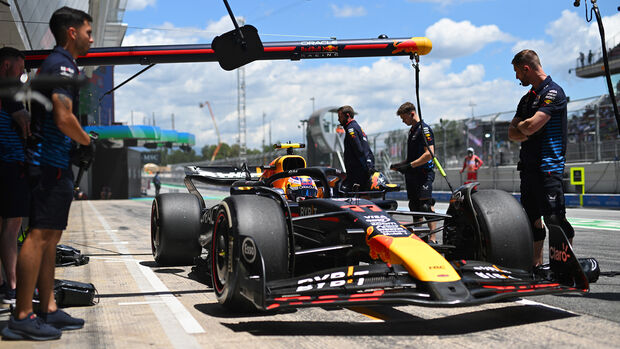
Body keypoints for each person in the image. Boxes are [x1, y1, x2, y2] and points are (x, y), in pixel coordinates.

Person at [2, 7, 94, 341]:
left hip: (54, 163)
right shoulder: (62, 65)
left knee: (50, 238)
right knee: (39, 236)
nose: (91, 38)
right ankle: (22, 315)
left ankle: (48, 308)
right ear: (72, 32)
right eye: (88, 31)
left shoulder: (61, 64)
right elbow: (63, 115)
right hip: (48, 165)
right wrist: (87, 141)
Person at [508, 49, 574, 267]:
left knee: (554, 219)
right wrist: (525, 129)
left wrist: (526, 129)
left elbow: (530, 125)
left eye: (517, 72)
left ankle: (564, 267)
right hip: (528, 168)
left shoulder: (553, 92)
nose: (517, 77)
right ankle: (536, 267)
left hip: (548, 167)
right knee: (532, 220)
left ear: (526, 68)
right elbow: (513, 133)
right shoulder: (526, 99)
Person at [0, 46, 31, 305]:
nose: (22, 73)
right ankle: (12, 286)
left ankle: (3, 284)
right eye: (20, 67)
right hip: (9, 163)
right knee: (13, 226)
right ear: (6, 66)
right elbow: (24, 124)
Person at [390, 102, 437, 243]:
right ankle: (419, 237)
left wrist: (410, 166)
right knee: (414, 206)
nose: (403, 121)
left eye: (404, 118)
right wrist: (401, 165)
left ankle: (433, 239)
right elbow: (411, 158)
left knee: (425, 206)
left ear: (412, 114)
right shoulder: (412, 131)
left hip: (423, 174)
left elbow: (429, 154)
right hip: (412, 175)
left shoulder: (424, 129)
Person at [337, 105, 375, 191]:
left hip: (358, 172)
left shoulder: (351, 129)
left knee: (359, 198)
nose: (338, 119)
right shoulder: (357, 127)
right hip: (363, 170)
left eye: (340, 117)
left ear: (347, 115)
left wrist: (365, 168)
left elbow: (359, 150)